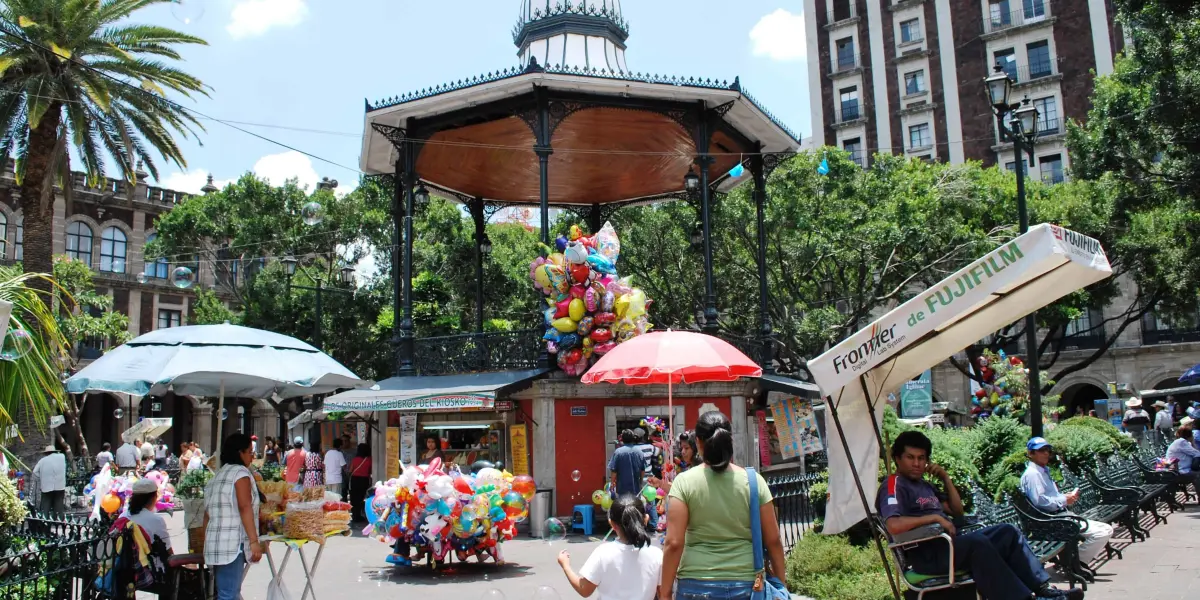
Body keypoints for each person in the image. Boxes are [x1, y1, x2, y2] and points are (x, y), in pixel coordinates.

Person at [879, 431, 1082, 600]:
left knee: (1007, 533)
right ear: (898, 458)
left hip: (951, 546)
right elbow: (894, 525)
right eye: (910, 457)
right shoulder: (893, 485)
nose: (917, 463)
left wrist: (945, 478)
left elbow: (957, 511)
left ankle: (1044, 590)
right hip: (927, 554)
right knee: (978, 544)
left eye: (921, 458)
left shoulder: (924, 485)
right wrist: (935, 518)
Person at [660, 411, 786, 600]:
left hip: (695, 583)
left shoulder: (683, 482)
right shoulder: (754, 481)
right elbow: (773, 540)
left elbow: (674, 543)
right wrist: (782, 585)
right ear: (729, 440)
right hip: (748, 584)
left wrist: (665, 593)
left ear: (699, 443)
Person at [1020, 437, 1113, 564]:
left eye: (1047, 449)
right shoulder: (1033, 474)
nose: (1046, 453)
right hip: (1054, 521)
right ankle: (1077, 562)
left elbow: (1047, 497)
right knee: (1102, 532)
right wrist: (1064, 500)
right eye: (1041, 450)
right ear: (1031, 454)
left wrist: (1065, 496)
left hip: (1060, 517)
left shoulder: (1042, 470)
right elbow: (1040, 502)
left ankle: (1076, 561)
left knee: (1106, 528)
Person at [557, 494, 662, 600]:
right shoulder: (657, 554)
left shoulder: (603, 553)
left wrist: (565, 565)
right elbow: (664, 594)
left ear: (611, 523)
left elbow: (584, 589)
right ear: (646, 519)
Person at [204, 433, 263, 600]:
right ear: (240, 453)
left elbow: (206, 515)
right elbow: (245, 507)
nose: (252, 457)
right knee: (228, 594)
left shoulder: (217, 476)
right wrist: (253, 541)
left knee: (229, 592)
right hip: (231, 544)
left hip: (215, 544)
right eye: (250, 452)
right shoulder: (240, 474)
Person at [120, 478, 172, 565]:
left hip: (127, 566)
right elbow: (168, 549)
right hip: (152, 568)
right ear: (153, 497)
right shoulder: (156, 520)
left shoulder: (123, 516)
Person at [609, 429, 646, 499]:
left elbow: (614, 470)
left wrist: (612, 483)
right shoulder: (639, 452)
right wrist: (641, 481)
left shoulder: (618, 452)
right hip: (636, 489)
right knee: (636, 508)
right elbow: (642, 469)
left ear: (622, 439)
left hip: (622, 489)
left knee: (623, 508)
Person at [33, 444, 66, 514]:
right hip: (60, 486)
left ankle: (45, 522)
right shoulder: (62, 457)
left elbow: (35, 471)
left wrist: (42, 477)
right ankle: (58, 521)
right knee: (59, 505)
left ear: (46, 453)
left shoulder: (42, 460)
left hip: (46, 487)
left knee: (45, 506)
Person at [349, 443, 373, 522]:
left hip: (354, 479)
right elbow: (370, 471)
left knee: (354, 498)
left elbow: (350, 470)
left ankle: (355, 515)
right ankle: (361, 514)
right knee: (361, 497)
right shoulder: (369, 460)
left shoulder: (355, 459)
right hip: (364, 480)